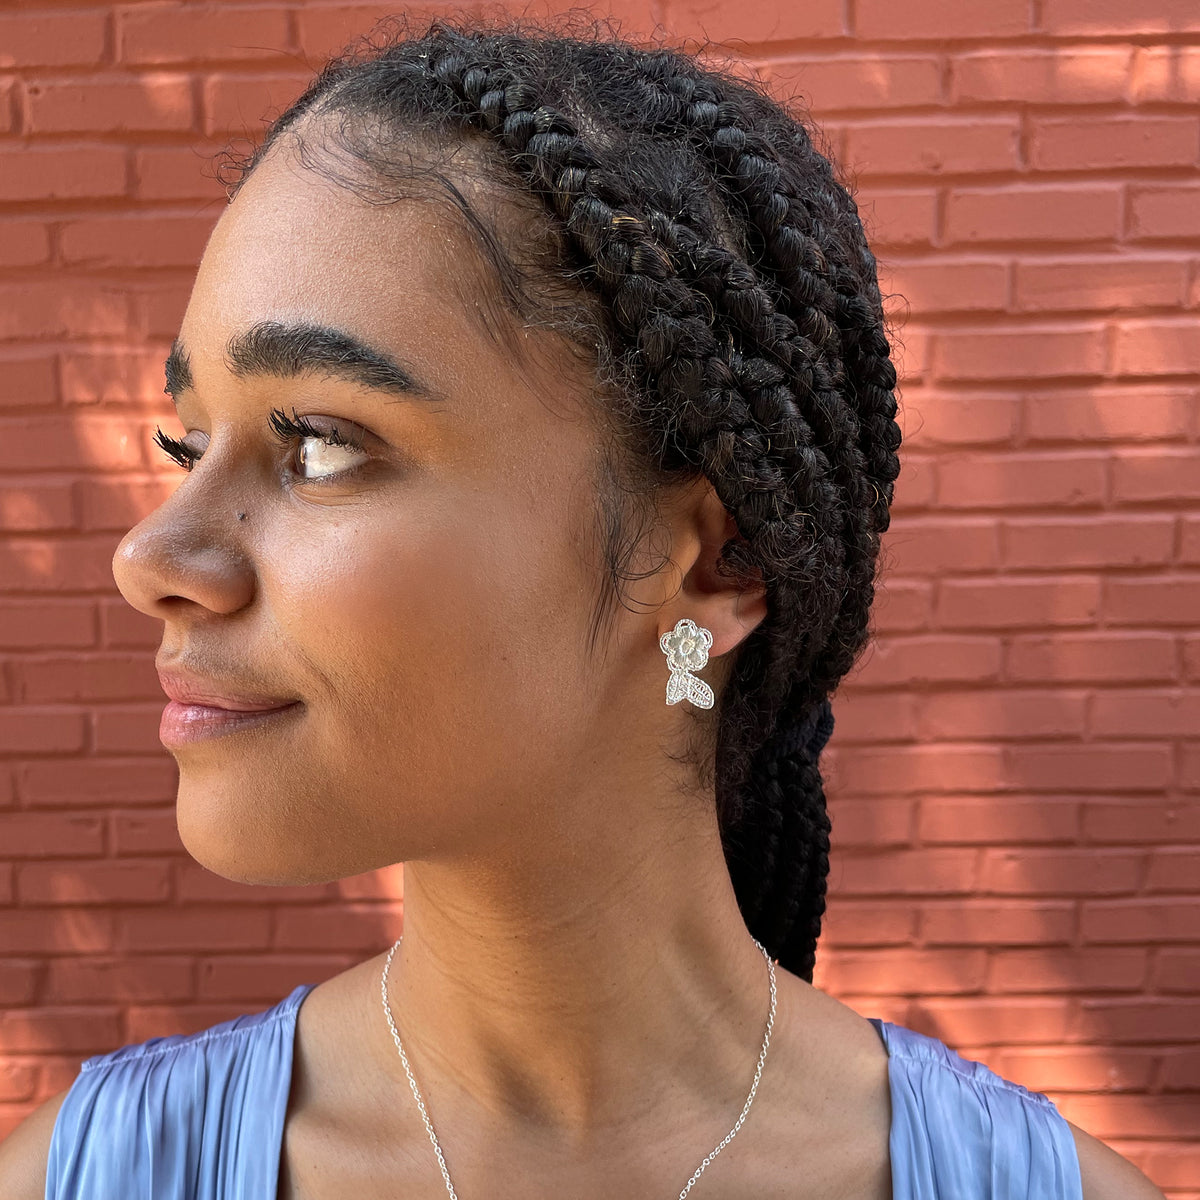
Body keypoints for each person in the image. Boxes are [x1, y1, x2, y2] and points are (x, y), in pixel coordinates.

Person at [0, 12, 1167, 1199]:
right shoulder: (92, 1173)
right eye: (185, 441)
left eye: (321, 444)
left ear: (721, 563)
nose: (152, 555)